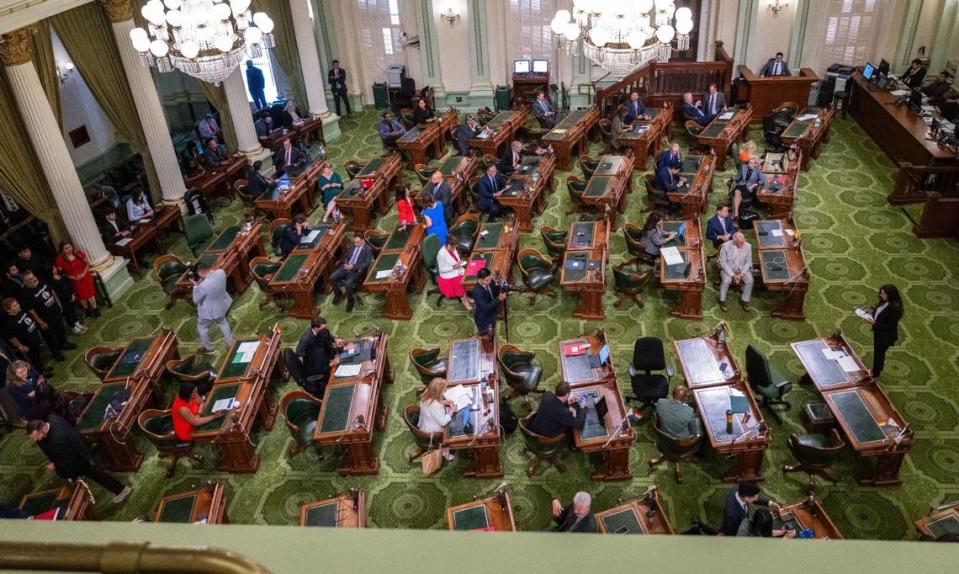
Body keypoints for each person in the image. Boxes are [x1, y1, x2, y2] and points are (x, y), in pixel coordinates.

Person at [26, 416, 132, 503]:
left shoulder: (58, 440)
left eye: (36, 437)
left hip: (79, 459)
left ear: (42, 429)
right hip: (80, 446)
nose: (36, 440)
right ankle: (120, 489)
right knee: (97, 473)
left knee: (98, 476)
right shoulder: (53, 419)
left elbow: (68, 459)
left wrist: (55, 465)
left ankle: (122, 490)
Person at [19, 270, 74, 362]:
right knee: (50, 338)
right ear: (24, 282)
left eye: (33, 277)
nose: (33, 280)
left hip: (55, 311)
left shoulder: (42, 282)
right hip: (45, 319)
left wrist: (59, 304)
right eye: (29, 279)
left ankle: (64, 343)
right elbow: (31, 311)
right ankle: (56, 353)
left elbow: (52, 292)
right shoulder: (25, 295)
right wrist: (41, 322)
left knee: (60, 329)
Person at [861, 284, 904, 378]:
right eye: (881, 293)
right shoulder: (885, 301)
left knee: (879, 355)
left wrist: (873, 323)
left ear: (891, 295)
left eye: (883, 294)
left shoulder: (894, 309)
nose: (881, 295)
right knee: (878, 353)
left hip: (885, 337)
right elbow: (879, 311)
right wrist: (871, 312)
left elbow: (889, 326)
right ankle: (875, 371)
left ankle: (875, 374)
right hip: (879, 333)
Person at [295, 316, 344, 397]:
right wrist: (332, 363)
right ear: (315, 328)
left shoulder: (322, 331)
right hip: (316, 367)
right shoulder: (306, 339)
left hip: (323, 358)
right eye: (323, 328)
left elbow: (327, 334)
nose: (325, 329)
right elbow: (299, 352)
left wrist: (335, 339)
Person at [191, 263, 234, 354]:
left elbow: (195, 300)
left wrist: (195, 286)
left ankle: (209, 348)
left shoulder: (203, 286)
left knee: (202, 327)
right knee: (223, 322)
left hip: (208, 311)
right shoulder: (221, 272)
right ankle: (230, 343)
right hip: (221, 305)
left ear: (201, 274)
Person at [527, 382, 586, 446]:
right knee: (570, 427)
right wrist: (582, 408)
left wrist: (567, 402)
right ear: (567, 394)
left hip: (535, 425)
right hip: (546, 434)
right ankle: (572, 445)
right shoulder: (564, 413)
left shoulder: (547, 395)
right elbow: (579, 423)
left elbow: (556, 405)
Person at [2, 298, 47, 373]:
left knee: (38, 356)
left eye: (17, 303)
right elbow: (12, 338)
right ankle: (39, 373)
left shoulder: (21, 312)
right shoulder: (8, 323)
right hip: (27, 345)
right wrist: (21, 346)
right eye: (15, 305)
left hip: (34, 338)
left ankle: (42, 369)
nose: (18, 306)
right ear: (8, 310)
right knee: (33, 360)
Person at [54, 242, 98, 319]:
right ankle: (87, 310)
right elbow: (62, 274)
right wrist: (73, 277)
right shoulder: (59, 259)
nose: (69, 249)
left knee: (90, 294)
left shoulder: (78, 253)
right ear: (62, 250)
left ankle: (95, 310)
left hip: (85, 276)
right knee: (81, 296)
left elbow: (87, 263)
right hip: (73, 280)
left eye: (70, 247)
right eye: (66, 248)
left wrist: (83, 274)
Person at [330, 233, 372, 313]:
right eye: (355, 242)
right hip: (346, 267)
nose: (355, 244)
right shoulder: (352, 245)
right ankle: (338, 293)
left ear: (362, 240)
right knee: (332, 278)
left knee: (348, 284)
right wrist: (346, 263)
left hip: (356, 271)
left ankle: (350, 299)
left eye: (357, 242)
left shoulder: (368, 249)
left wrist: (353, 267)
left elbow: (366, 264)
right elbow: (346, 257)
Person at [418, 378, 456, 460]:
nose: (445, 392)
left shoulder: (427, 393)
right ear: (438, 393)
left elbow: (431, 407)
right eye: (443, 391)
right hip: (433, 431)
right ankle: (446, 455)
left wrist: (443, 402)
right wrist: (452, 411)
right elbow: (443, 422)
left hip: (425, 423)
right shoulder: (435, 406)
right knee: (451, 430)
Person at [718, 232, 754, 312]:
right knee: (726, 280)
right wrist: (733, 275)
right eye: (740, 243)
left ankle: (745, 300)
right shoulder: (725, 246)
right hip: (728, 269)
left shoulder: (748, 246)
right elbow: (723, 263)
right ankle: (722, 300)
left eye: (743, 241)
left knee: (750, 280)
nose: (742, 245)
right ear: (734, 241)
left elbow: (748, 262)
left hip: (742, 270)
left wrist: (741, 274)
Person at [49, 265, 85, 335]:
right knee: (68, 314)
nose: (55, 268)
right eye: (53, 268)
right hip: (64, 301)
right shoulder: (52, 282)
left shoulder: (61, 275)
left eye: (54, 267)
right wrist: (69, 297)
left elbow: (68, 284)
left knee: (73, 311)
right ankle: (73, 328)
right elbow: (58, 294)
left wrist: (72, 294)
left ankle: (78, 324)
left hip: (71, 296)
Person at [437, 236, 471, 310]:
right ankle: (465, 300)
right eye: (453, 247)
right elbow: (442, 269)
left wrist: (459, 262)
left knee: (466, 275)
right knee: (460, 281)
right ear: (449, 245)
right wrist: (453, 267)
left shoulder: (453, 248)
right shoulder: (441, 254)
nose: (454, 249)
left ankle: (467, 297)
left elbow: (456, 257)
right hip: (447, 274)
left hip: (456, 268)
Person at [471, 268, 504, 336]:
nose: (489, 281)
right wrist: (499, 299)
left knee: (493, 328)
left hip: (492, 314)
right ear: (480, 279)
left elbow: (494, 290)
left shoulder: (489, 281)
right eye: (487, 280)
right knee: (487, 337)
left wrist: (500, 287)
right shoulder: (477, 292)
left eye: (490, 278)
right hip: (484, 319)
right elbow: (486, 308)